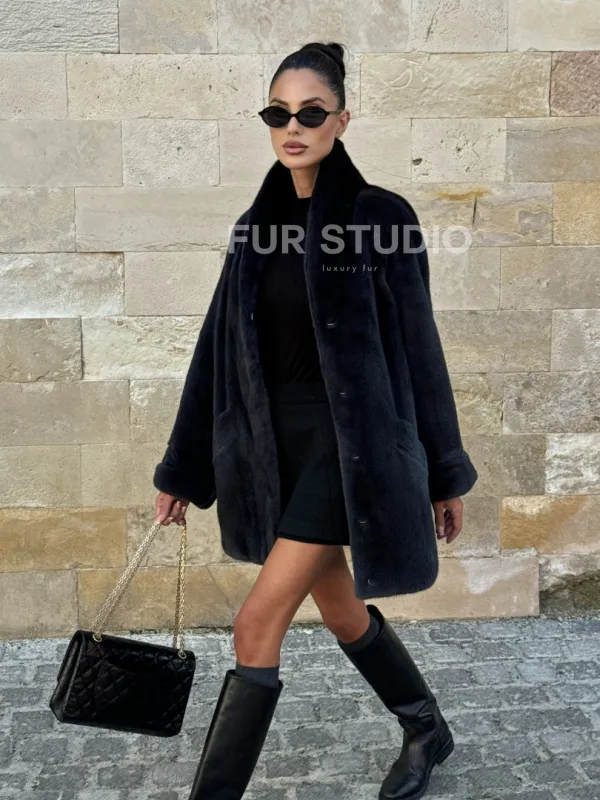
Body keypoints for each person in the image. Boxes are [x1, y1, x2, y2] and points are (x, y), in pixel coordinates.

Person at [154, 41, 477, 800]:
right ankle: (426, 728)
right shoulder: (253, 229)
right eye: (278, 114)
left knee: (255, 624)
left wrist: (444, 471)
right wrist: (183, 469)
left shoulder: (379, 218)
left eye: (310, 113)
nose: (293, 127)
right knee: (339, 609)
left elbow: (420, 349)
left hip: (349, 447)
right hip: (279, 448)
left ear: (342, 120)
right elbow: (215, 354)